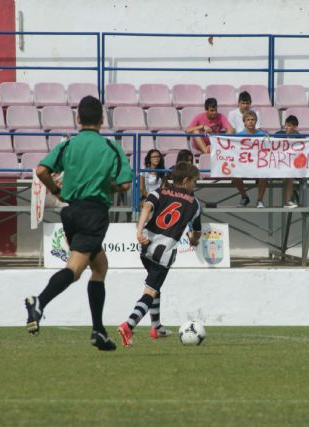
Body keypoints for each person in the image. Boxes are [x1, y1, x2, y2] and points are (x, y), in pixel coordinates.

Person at [24, 95, 132, 352]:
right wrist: (107, 184)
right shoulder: (111, 148)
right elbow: (125, 184)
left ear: (78, 119)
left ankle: (99, 330)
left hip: (71, 212)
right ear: (103, 120)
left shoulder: (68, 145)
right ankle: (39, 301)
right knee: (75, 269)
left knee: (100, 265)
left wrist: (57, 191)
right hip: (94, 213)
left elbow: (41, 171)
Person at [118, 162, 202, 347]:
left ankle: (156, 326)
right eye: (195, 181)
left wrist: (139, 231)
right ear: (186, 180)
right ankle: (129, 325)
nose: (195, 185)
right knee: (151, 291)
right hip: (163, 252)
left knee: (154, 286)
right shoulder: (194, 203)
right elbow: (196, 233)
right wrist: (194, 240)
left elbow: (146, 208)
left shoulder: (160, 191)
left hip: (146, 245)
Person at [236, 110, 268, 208]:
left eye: (253, 119)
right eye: (248, 120)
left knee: (264, 173)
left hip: (258, 164)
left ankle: (260, 200)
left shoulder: (263, 135)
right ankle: (244, 197)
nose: (250, 122)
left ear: (256, 121)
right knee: (233, 174)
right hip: (243, 165)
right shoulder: (237, 136)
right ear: (244, 122)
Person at [274, 115, 301, 208]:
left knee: (290, 174)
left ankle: (288, 201)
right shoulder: (278, 135)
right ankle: (259, 201)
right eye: (286, 125)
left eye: (289, 125)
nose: (286, 127)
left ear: (295, 126)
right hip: (277, 164)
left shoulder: (302, 138)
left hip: (292, 166)